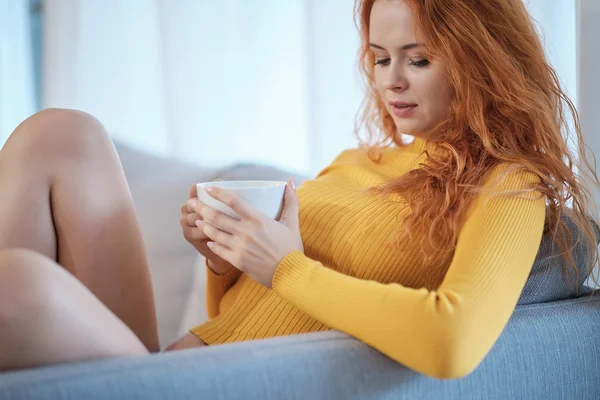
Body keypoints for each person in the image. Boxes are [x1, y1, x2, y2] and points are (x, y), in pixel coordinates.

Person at [0, 0, 598, 379]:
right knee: (59, 134)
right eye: (379, 57)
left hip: (220, 384)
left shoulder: (508, 186)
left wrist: (284, 265)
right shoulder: (358, 159)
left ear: (479, 59)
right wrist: (225, 259)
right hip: (171, 365)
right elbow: (242, 317)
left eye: (418, 60)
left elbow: (452, 343)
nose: (391, 81)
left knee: (15, 283)